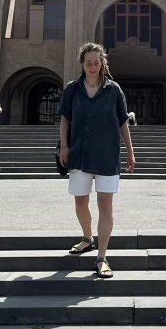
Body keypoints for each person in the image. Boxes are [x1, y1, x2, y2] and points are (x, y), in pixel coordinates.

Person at [58, 42, 136, 279]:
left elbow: (123, 122)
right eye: (88, 62)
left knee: (105, 204)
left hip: (106, 154)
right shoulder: (73, 89)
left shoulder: (113, 90)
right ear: (82, 63)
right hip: (79, 153)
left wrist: (130, 152)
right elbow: (65, 119)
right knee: (80, 202)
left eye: (96, 62)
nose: (92, 66)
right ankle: (87, 237)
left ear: (102, 63)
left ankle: (101, 257)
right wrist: (64, 145)